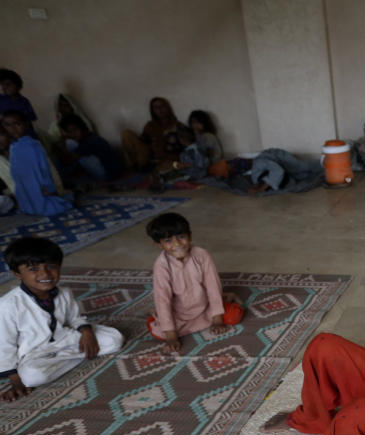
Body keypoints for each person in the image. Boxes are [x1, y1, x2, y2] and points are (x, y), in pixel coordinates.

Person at [0, 237, 124, 401]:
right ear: (17, 273)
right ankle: (77, 355)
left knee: (115, 339)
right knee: (32, 377)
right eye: (33, 269)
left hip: (65, 339)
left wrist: (86, 332)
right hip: (34, 352)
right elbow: (4, 344)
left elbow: (75, 319)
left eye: (51, 266)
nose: (45, 274)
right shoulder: (8, 305)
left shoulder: (64, 292)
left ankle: (70, 356)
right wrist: (15, 379)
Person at [145, 212, 243, 353]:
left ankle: (224, 298)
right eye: (168, 241)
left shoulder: (202, 255)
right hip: (179, 313)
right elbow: (163, 300)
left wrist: (217, 319)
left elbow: (212, 286)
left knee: (234, 314)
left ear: (189, 236)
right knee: (157, 331)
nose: (177, 244)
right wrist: (171, 336)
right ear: (159, 245)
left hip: (205, 307)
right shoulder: (161, 266)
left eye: (181, 237)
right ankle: (224, 298)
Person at [1, 111, 73, 216]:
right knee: (29, 209)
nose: (13, 128)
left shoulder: (33, 145)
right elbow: (16, 173)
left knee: (51, 208)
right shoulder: (13, 147)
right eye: (7, 125)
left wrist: (49, 187)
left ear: (25, 124)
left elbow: (44, 168)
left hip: (40, 187)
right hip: (25, 189)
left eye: (17, 124)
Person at [120, 97, 187, 172]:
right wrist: (151, 148)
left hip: (167, 158)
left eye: (162, 106)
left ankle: (149, 169)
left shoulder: (178, 126)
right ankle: (133, 168)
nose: (160, 109)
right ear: (153, 110)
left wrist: (164, 155)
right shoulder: (150, 125)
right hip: (148, 156)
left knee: (171, 167)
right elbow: (142, 143)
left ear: (168, 108)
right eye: (156, 107)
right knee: (126, 133)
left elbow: (185, 150)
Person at [58, 114, 122, 182]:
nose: (73, 134)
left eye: (75, 129)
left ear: (81, 127)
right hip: (113, 172)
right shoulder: (89, 136)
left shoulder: (89, 140)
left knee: (69, 144)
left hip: (108, 176)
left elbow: (68, 161)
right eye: (69, 132)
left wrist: (63, 142)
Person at [0, 69, 39, 139]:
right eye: (2, 85)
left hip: (24, 134)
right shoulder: (1, 99)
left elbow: (29, 120)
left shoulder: (24, 102)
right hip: (6, 135)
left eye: (8, 84)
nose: (4, 88)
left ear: (18, 86)